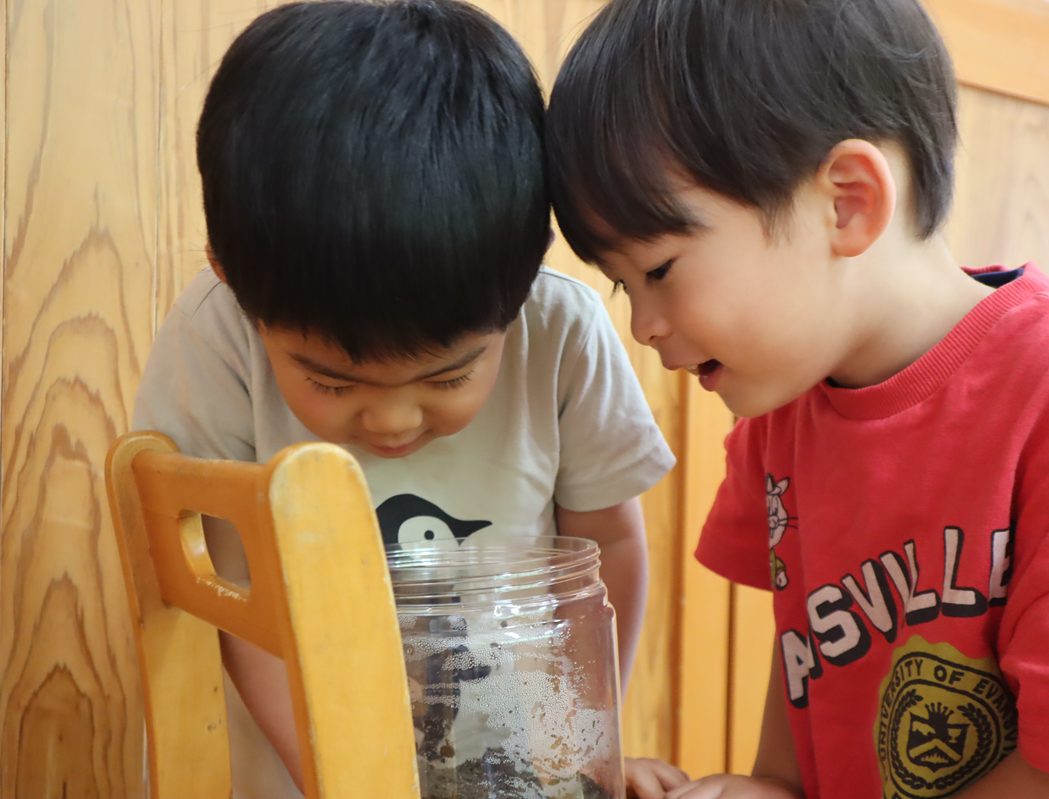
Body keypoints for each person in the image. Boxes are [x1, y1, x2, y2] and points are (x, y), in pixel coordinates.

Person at [133, 2, 674, 797]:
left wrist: (586, 744)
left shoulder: (560, 331)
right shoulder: (216, 337)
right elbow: (230, 595)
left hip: (500, 774)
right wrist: (352, 782)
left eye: (448, 377)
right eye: (330, 380)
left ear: (525, 274)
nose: (391, 420)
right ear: (230, 276)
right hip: (281, 775)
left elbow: (606, 550)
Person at [545, 0, 1049, 797]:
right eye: (623, 284)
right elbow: (810, 644)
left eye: (661, 269)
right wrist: (769, 786)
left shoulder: (1035, 390)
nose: (642, 325)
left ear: (846, 202)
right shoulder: (783, 407)